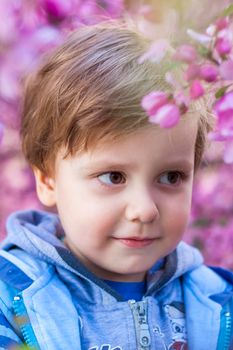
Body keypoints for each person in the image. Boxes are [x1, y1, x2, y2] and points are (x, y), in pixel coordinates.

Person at [0, 20, 232, 350]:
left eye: (171, 177)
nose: (144, 210)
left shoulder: (219, 302)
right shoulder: (10, 297)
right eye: (113, 177)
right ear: (47, 180)